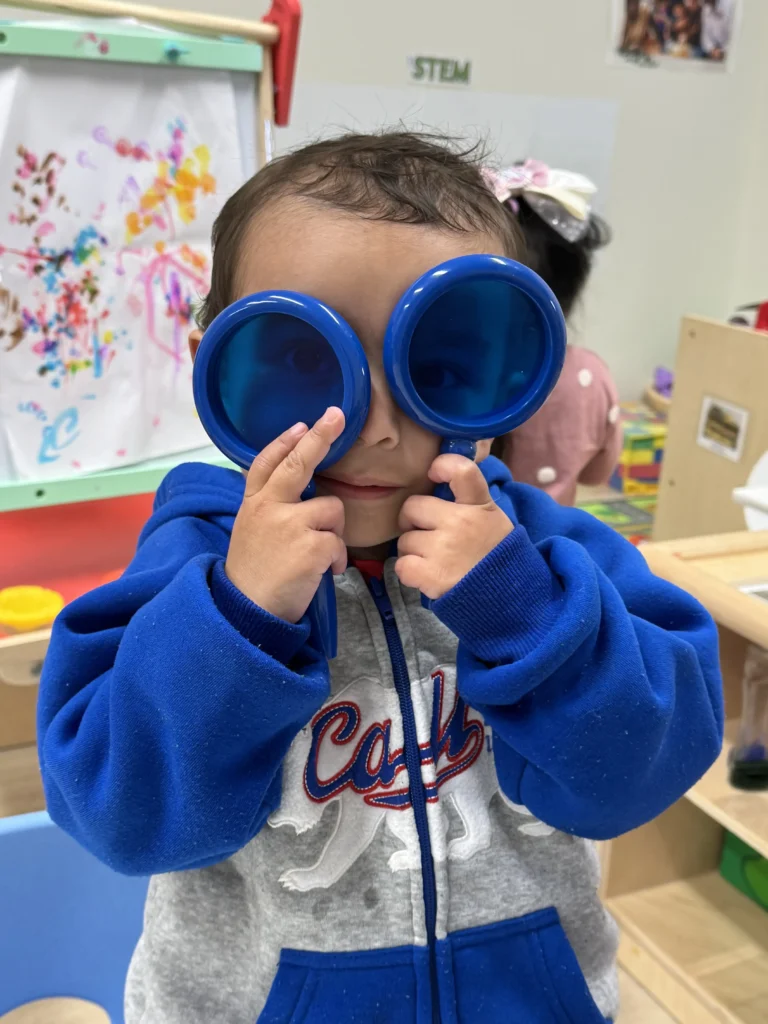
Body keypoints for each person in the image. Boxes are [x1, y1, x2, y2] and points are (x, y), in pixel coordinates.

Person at [37, 132, 723, 1024]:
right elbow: (122, 818)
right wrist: (238, 619)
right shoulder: (195, 562)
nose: (377, 428)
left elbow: (639, 777)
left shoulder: (552, 559)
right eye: (301, 363)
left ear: (509, 364)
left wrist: (523, 614)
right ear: (220, 363)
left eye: (436, 368)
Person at [485, 161, 623, 505]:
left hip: (455, 544)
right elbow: (597, 474)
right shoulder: (591, 375)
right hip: (556, 548)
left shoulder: (459, 373)